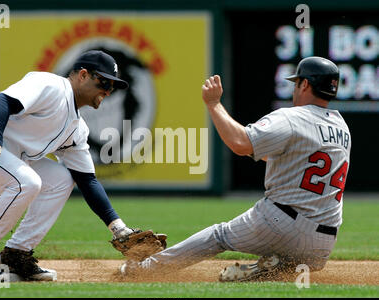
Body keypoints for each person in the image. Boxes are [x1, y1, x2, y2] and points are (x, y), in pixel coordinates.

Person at [120, 56, 351, 282]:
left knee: (218, 235)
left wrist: (214, 104)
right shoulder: (342, 127)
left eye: (296, 83)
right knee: (286, 263)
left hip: (281, 223)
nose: (294, 89)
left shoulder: (291, 117)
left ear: (306, 84)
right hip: (323, 243)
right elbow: (292, 159)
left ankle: (143, 270)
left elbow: (240, 143)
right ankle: (271, 267)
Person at [0, 50, 138, 281]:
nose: (108, 90)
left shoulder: (77, 129)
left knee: (61, 180)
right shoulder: (51, 86)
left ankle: (17, 254)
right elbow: (1, 103)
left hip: (3, 157)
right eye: (104, 82)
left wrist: (118, 228)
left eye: (113, 86)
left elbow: (87, 180)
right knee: (28, 182)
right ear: (84, 75)